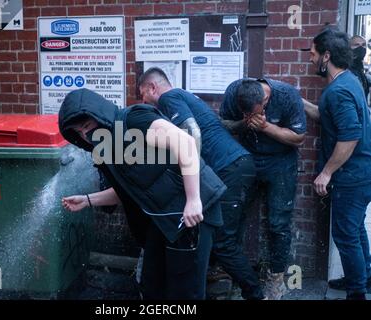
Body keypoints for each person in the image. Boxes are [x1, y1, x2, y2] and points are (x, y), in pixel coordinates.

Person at [58, 88, 226, 299]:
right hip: (164, 219)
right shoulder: (109, 148)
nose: (85, 135)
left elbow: (185, 143)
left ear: (101, 115)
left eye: (87, 126)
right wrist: (88, 200)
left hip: (194, 212)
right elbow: (127, 192)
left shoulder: (134, 119)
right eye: (78, 132)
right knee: (152, 285)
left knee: (185, 292)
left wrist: (193, 200)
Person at [137, 67, 265, 300]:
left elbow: (192, 133)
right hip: (239, 165)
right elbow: (217, 125)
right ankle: (219, 278)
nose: (143, 101)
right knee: (222, 234)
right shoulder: (186, 95)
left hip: (231, 168)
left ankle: (256, 294)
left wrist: (190, 171)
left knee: (223, 242)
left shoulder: (168, 98)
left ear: (151, 87)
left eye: (142, 94)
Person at [220, 78, 306, 300]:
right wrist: (244, 124)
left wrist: (266, 126)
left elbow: (298, 138)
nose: (254, 116)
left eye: (258, 112)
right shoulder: (234, 91)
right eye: (248, 113)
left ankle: (276, 278)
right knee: (234, 214)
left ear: (266, 98)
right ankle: (231, 271)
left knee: (279, 222)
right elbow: (224, 124)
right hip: (247, 157)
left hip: (281, 162)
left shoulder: (286, 95)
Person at [304, 27, 371, 300]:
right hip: (363, 172)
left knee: (345, 236)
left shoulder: (337, 91)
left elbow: (350, 135)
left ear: (326, 56)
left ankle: (356, 292)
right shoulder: (349, 81)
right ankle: (363, 278)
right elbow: (328, 116)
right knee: (354, 230)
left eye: (313, 54)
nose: (310, 59)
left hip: (351, 176)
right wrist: (300, 102)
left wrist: (326, 173)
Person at [349, 35, 370, 101]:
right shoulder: (347, 68)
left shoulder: (360, 68)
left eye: (363, 45)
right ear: (349, 48)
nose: (361, 48)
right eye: (356, 45)